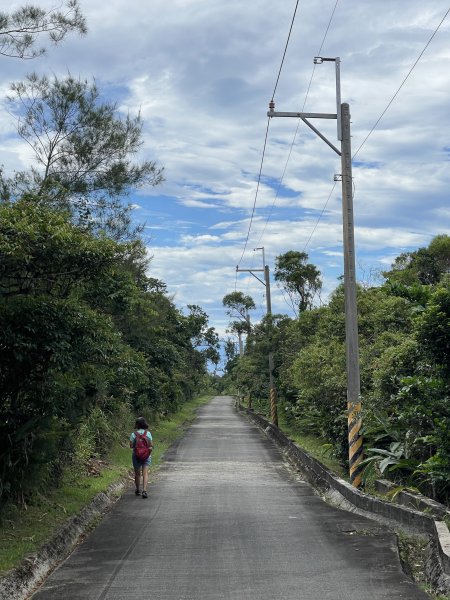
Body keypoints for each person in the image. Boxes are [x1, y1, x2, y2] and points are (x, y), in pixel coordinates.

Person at [130, 416, 153, 499]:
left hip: (136, 456)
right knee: (145, 473)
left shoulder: (133, 434)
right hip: (146, 455)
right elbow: (150, 445)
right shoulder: (148, 433)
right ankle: (144, 490)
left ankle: (137, 489)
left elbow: (131, 446)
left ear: (137, 424)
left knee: (137, 474)